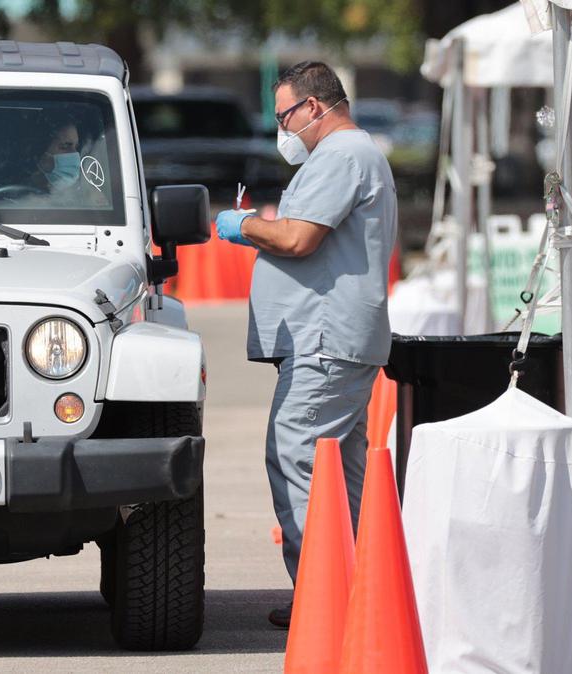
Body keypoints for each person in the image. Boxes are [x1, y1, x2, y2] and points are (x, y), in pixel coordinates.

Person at [213, 61, 398, 629]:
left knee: (296, 457)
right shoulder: (353, 155)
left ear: (314, 107)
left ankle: (323, 596)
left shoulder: (341, 155)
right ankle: (358, 588)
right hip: (335, 336)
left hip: (325, 337)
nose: (282, 129)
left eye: (285, 116)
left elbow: (298, 237)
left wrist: (242, 225)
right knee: (339, 469)